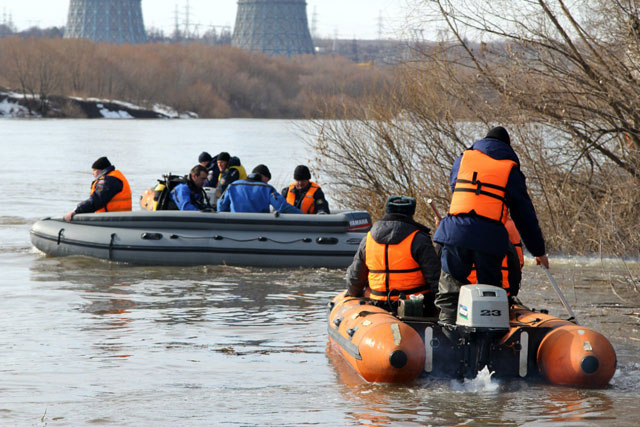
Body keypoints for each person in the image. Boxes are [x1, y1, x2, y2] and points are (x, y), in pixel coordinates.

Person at [433, 126, 549, 325]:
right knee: (489, 294)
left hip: (455, 233)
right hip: (488, 238)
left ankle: (447, 337)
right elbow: (524, 215)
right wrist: (538, 251)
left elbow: (456, 188)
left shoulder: (463, 159)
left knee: (450, 292)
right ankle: (489, 344)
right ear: (507, 147)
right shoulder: (510, 169)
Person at [345, 196, 441, 315]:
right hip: (416, 307)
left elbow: (355, 278)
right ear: (411, 213)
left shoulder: (368, 239)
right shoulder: (419, 239)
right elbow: (435, 278)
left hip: (377, 305)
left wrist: (353, 295)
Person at [64, 156, 131, 222]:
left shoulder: (105, 180)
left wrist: (77, 211)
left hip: (111, 220)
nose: (93, 173)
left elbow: (97, 199)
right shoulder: (115, 176)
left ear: (98, 170)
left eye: (93, 170)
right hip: (120, 218)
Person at [217, 164, 302, 214]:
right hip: (260, 226)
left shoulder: (233, 185)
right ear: (261, 176)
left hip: (235, 225)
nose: (266, 183)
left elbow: (221, 205)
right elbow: (282, 207)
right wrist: (303, 215)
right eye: (266, 180)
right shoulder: (266, 188)